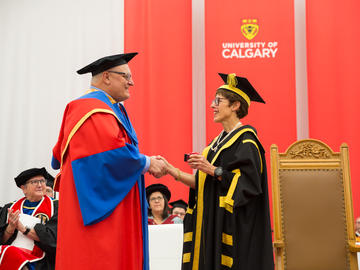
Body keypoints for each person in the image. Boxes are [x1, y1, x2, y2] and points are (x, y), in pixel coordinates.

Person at [51, 53, 165, 270]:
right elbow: (109, 156)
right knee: (102, 259)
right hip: (101, 208)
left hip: (115, 200)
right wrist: (147, 163)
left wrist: (143, 161)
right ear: (106, 77)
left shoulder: (110, 107)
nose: (131, 82)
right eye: (126, 76)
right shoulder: (91, 109)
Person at [160, 73, 274, 270]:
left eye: (218, 101)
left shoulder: (246, 141)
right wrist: (172, 170)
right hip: (211, 221)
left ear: (235, 106)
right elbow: (202, 183)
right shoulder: (214, 144)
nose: (212, 106)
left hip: (233, 225)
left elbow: (250, 185)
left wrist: (212, 169)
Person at [0, 167, 58, 270]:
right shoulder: (9, 208)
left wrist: (23, 229)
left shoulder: (56, 207)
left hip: (41, 261)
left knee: (10, 253)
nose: (40, 185)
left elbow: (53, 240)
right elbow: (2, 241)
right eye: (34, 182)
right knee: (8, 252)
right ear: (24, 188)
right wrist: (10, 228)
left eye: (42, 181)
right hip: (10, 253)